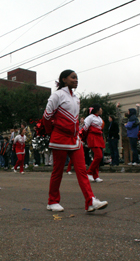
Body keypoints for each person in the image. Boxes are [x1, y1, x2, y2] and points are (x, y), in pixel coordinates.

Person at [42, 69, 108, 212]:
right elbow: (46, 117)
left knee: (81, 170)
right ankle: (52, 201)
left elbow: (75, 121)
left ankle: (90, 201)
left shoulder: (76, 98)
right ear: (64, 79)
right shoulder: (57, 95)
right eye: (73, 77)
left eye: (77, 78)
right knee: (57, 171)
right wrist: (50, 132)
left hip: (74, 139)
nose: (76, 80)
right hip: (59, 138)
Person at [83, 104, 105, 183]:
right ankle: (89, 172)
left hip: (99, 137)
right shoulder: (90, 117)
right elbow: (85, 128)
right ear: (97, 109)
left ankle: (96, 176)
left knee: (97, 157)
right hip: (92, 137)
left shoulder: (99, 118)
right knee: (99, 156)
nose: (101, 110)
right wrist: (83, 138)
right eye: (100, 108)